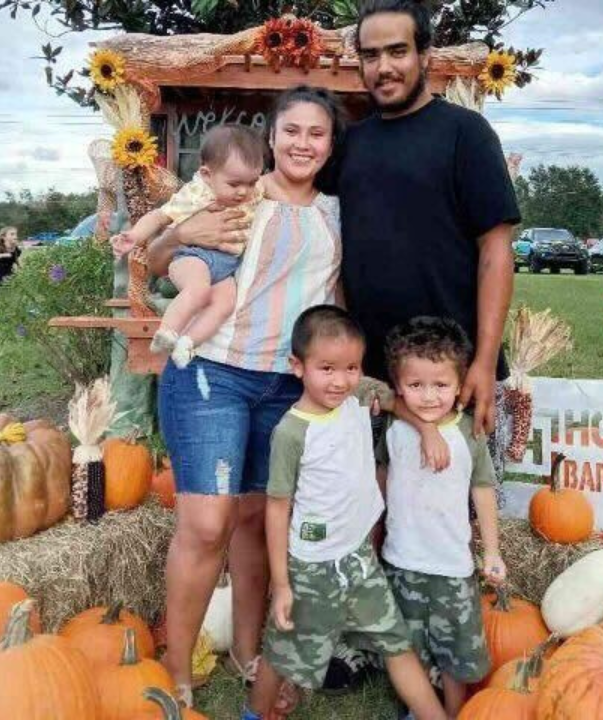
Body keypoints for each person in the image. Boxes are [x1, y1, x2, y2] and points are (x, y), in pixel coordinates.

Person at [142, 86, 344, 710]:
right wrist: (177, 237)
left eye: (317, 132)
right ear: (273, 136)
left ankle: (247, 651)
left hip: (287, 381)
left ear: (331, 144)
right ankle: (177, 665)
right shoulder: (239, 194)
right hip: (214, 370)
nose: (303, 143)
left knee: (259, 520)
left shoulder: (340, 210)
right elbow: (155, 259)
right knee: (208, 523)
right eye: (292, 131)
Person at [242, 305, 447, 720]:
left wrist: (426, 429)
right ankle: (255, 714)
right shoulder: (292, 432)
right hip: (314, 569)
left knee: (396, 643)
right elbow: (277, 509)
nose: (340, 380)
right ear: (297, 366)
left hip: (358, 558)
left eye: (351, 367)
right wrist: (281, 584)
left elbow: (393, 401)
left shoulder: (358, 395)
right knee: (284, 654)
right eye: (327, 368)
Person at [336, 0, 519, 444]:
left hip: (449, 379)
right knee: (371, 508)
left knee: (455, 510)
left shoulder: (466, 134)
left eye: (397, 52)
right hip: (372, 381)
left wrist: (482, 361)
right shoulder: (348, 144)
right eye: (370, 54)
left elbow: (496, 249)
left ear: (425, 56)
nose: (383, 67)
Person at [379, 316, 506, 716]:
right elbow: (380, 480)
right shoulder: (392, 426)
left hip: (452, 567)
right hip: (401, 561)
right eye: (416, 385)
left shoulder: (469, 433)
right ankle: (417, 708)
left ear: (460, 383)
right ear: (399, 386)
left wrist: (492, 552)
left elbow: (483, 491)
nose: (429, 396)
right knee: (408, 646)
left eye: (441, 385)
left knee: (455, 654)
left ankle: (453, 711)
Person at [110, 125, 268, 368]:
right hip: (194, 256)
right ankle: (167, 332)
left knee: (225, 303)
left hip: (226, 265)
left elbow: (270, 186)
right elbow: (159, 216)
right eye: (234, 184)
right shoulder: (197, 194)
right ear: (206, 174)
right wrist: (134, 235)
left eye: (251, 182)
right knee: (198, 289)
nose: (243, 191)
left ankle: (188, 342)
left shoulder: (254, 191)